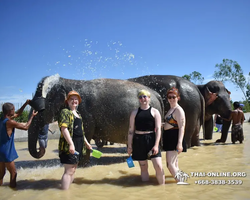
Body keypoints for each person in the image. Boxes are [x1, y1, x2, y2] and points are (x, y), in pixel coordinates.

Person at [127, 89, 165, 185]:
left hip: (151, 140)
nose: (143, 98)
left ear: (149, 98)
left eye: (145, 96)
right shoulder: (134, 113)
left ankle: (163, 189)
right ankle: (145, 189)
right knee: (143, 168)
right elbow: (131, 130)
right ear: (139, 100)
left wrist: (156, 145)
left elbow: (158, 129)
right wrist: (129, 146)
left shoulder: (155, 112)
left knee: (159, 166)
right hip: (139, 141)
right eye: (140, 97)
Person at [58, 90, 92, 190]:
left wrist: (87, 143)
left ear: (78, 101)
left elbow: (82, 131)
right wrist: (71, 144)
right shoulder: (65, 112)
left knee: (73, 169)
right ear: (67, 101)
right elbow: (64, 129)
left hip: (79, 144)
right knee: (68, 171)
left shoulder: (78, 114)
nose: (74, 101)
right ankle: (64, 194)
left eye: (76, 99)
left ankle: (69, 191)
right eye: (71, 99)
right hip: (70, 144)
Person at [0, 100, 37, 188]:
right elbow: (25, 127)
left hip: (0, 151)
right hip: (7, 152)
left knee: (1, 173)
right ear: (10, 112)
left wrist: (25, 103)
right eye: (13, 109)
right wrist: (32, 116)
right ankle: (13, 192)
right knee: (13, 173)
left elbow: (18, 114)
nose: (15, 111)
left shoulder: (2, 119)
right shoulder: (10, 122)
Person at [163, 87, 187, 183]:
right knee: (175, 164)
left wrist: (179, 143)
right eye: (169, 97)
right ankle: (180, 182)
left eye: (174, 97)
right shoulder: (171, 109)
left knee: (170, 164)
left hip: (174, 137)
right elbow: (171, 123)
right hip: (169, 136)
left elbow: (182, 127)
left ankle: (181, 182)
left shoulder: (178, 110)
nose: (172, 99)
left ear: (178, 98)